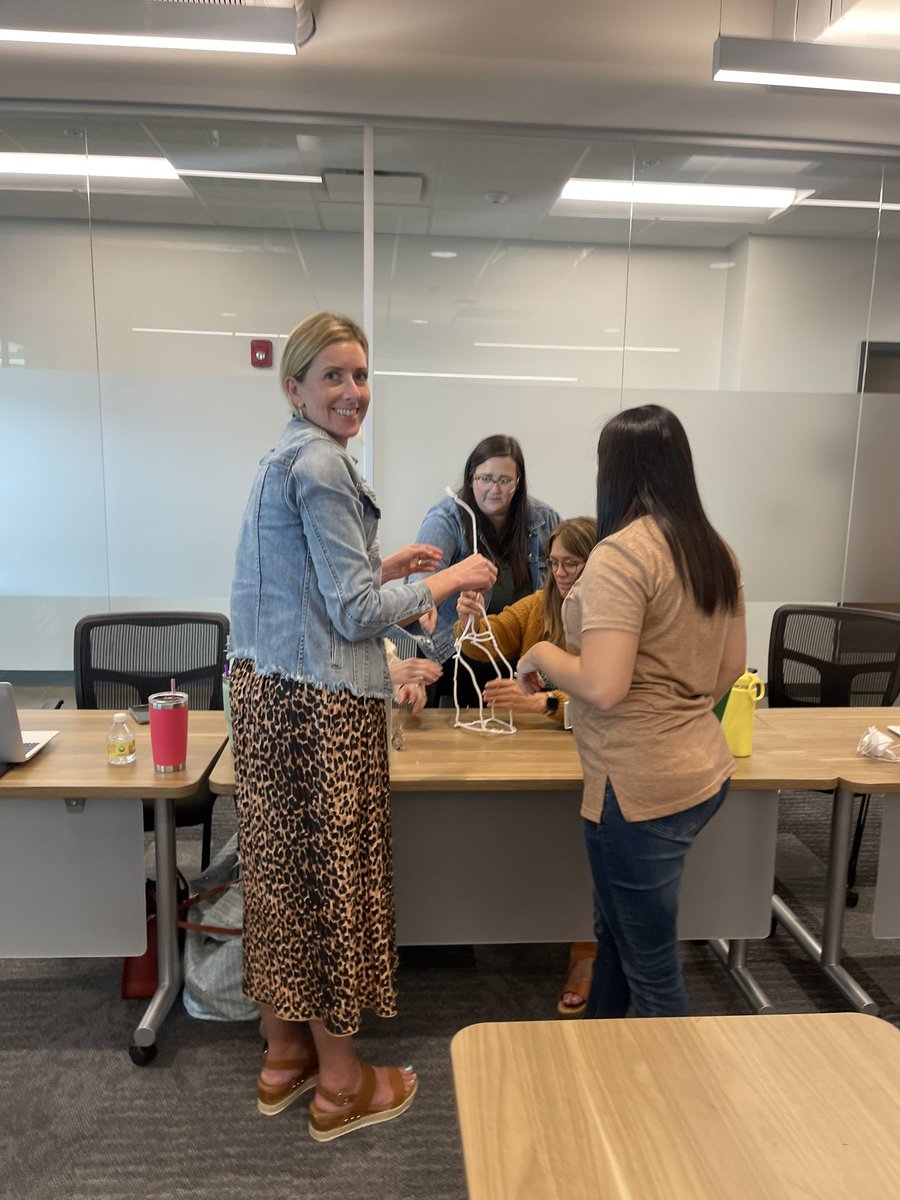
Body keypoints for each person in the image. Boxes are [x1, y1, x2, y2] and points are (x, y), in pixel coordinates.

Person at [228, 312, 497, 1141]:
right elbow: (348, 616)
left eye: (361, 374)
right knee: (333, 886)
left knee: (282, 877)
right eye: (333, 376)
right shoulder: (322, 464)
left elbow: (310, 584)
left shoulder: (283, 457)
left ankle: (283, 1055)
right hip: (319, 710)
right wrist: (446, 578)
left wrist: (387, 564)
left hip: (269, 698)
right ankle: (343, 1083)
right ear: (295, 387)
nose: (352, 392)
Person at [516, 405, 745, 1018]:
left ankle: (659, 1108)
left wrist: (539, 652)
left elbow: (604, 684)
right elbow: (728, 671)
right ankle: (604, 1056)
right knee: (614, 935)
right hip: (699, 769)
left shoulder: (623, 554)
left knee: (651, 971)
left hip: (639, 785)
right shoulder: (713, 551)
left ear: (613, 471)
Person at [454, 516, 599, 1016]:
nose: (560, 573)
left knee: (582, 850)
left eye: (572, 563)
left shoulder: (607, 613)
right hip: (547, 756)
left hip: (596, 755)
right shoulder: (541, 606)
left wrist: (541, 703)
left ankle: (585, 948)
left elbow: (604, 691)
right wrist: (470, 615)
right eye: (553, 563)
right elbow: (481, 642)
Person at [413, 434, 560, 705]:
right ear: (472, 478)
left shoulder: (543, 519)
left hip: (520, 648)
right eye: (486, 478)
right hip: (456, 648)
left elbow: (560, 585)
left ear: (518, 483)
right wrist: (426, 604)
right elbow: (423, 579)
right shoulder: (446, 517)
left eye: (505, 480)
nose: (495, 489)